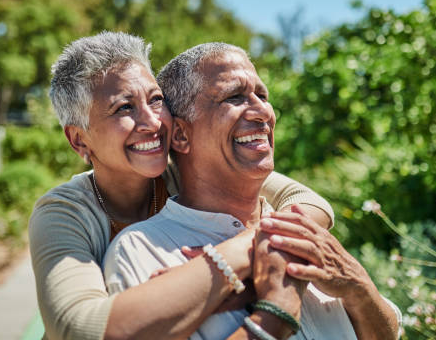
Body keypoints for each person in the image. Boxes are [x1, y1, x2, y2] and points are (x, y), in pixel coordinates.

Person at [29, 32, 336, 340]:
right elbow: (77, 329)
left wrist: (256, 256)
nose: (153, 122)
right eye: (124, 108)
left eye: (155, 100)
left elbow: (307, 201)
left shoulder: (182, 172)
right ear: (79, 139)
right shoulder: (62, 213)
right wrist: (235, 257)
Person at [104, 42, 401, 339]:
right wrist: (277, 309)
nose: (263, 112)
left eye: (261, 95)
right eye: (234, 97)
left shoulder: (304, 232)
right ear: (181, 134)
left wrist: (358, 288)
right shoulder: (142, 251)